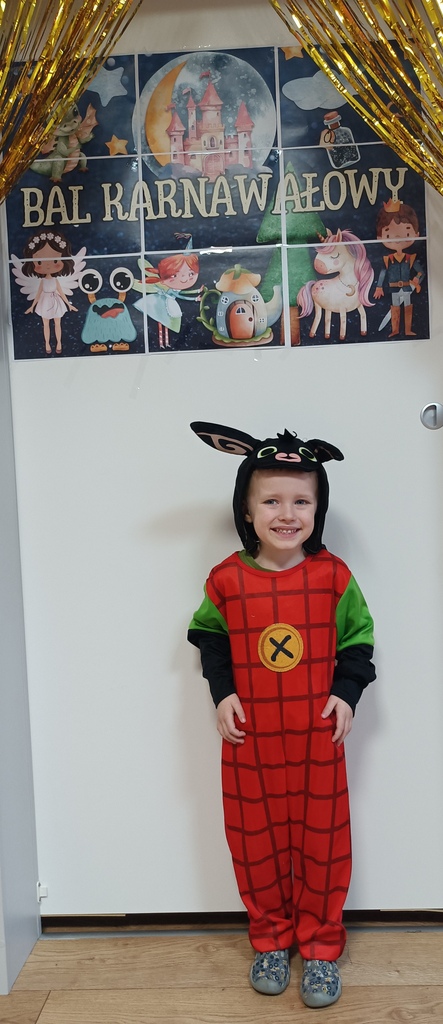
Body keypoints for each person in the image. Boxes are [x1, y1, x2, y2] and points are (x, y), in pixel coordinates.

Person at [188, 421, 375, 1009]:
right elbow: (208, 637)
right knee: (255, 844)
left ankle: (320, 946)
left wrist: (346, 691)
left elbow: (359, 641)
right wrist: (223, 693)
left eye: (301, 501)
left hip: (317, 741)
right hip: (252, 743)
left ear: (319, 509)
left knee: (323, 845)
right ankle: (270, 938)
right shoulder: (226, 580)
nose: (287, 514)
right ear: (247, 511)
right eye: (271, 501)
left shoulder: (334, 577)